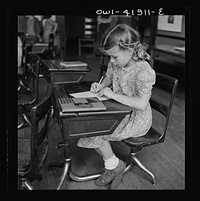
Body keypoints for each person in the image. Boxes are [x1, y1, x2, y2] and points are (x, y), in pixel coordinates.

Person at [77, 24, 156, 189]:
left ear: (130, 51)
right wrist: (100, 85)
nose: (111, 61)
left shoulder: (144, 71)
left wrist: (112, 94)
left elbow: (141, 104)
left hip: (137, 118)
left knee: (93, 132)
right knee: (87, 128)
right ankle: (114, 164)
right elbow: (108, 77)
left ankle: (113, 166)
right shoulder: (116, 63)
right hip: (118, 110)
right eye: (109, 57)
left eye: (114, 57)